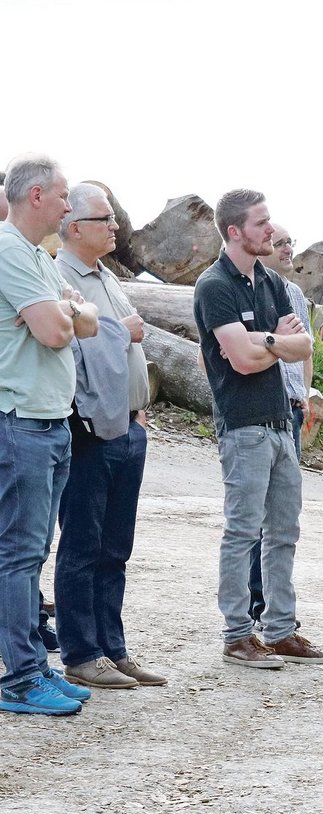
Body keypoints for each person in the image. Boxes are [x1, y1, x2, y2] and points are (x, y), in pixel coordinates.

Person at [194, 188, 323, 669]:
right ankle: (237, 635)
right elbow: (244, 360)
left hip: (282, 422)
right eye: (260, 223)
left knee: (284, 532)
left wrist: (265, 341)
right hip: (244, 425)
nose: (270, 230)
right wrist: (275, 342)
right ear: (235, 231)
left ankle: (279, 630)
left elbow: (303, 349)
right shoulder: (214, 286)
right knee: (243, 532)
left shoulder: (270, 283)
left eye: (269, 221)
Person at [52, 183, 165, 688]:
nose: (116, 226)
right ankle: (80, 653)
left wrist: (139, 416)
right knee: (82, 543)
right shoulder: (59, 278)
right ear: (75, 227)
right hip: (89, 431)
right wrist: (124, 330)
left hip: (127, 427)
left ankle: (112, 649)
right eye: (105, 219)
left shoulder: (106, 277)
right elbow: (75, 354)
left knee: (116, 547)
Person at [0, 154, 100, 715]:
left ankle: (33, 664)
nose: (69, 205)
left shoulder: (40, 256)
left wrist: (63, 313)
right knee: (16, 555)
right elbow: (59, 330)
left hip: (49, 420)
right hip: (19, 422)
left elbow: (84, 323)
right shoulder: (8, 250)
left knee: (32, 551)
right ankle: (18, 678)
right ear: (36, 195)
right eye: (63, 196)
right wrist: (64, 314)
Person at [246, 223, 313, 624]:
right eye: (280, 242)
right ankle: (256, 604)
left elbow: (305, 352)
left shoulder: (296, 295)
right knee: (255, 516)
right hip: (259, 411)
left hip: (292, 408)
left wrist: (305, 394)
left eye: (290, 242)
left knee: (285, 517)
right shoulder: (249, 291)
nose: (287, 248)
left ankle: (276, 608)